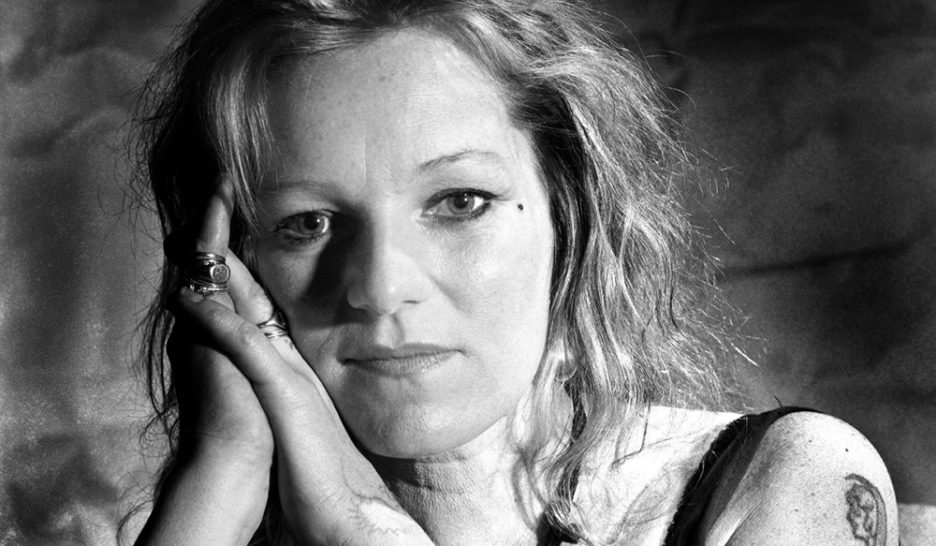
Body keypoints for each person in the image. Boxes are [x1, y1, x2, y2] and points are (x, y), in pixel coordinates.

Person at [130, 0, 897, 544]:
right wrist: (222, 475)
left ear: (570, 212)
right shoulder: (204, 520)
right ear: (237, 262)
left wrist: (364, 529)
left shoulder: (790, 482)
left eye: (459, 202)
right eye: (308, 223)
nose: (380, 287)